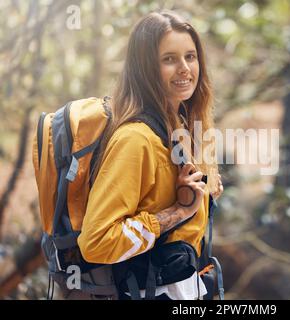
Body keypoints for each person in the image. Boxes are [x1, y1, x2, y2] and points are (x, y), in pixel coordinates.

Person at [77, 10, 223, 300]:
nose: (184, 68)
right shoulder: (135, 139)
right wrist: (177, 213)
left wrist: (204, 195)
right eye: (169, 59)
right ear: (146, 68)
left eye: (190, 57)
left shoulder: (178, 127)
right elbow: (96, 242)